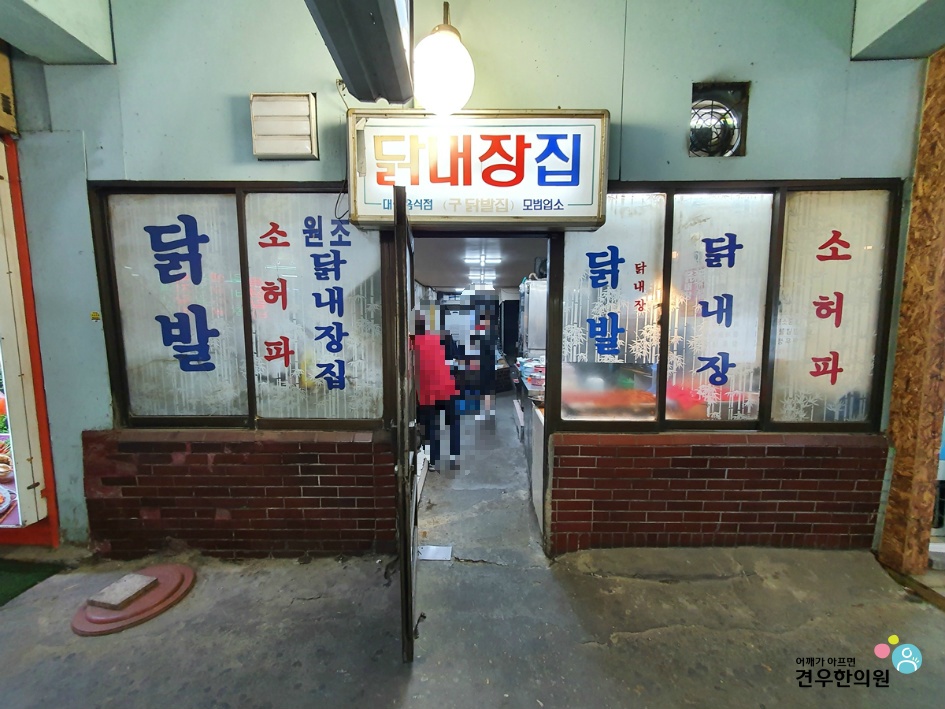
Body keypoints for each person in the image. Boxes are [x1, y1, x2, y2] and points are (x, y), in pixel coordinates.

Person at [413, 312, 461, 471]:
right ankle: (454, 458)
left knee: (432, 427)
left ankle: (434, 461)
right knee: (453, 423)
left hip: (427, 393)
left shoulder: (412, 343)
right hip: (446, 388)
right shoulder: (441, 337)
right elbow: (456, 361)